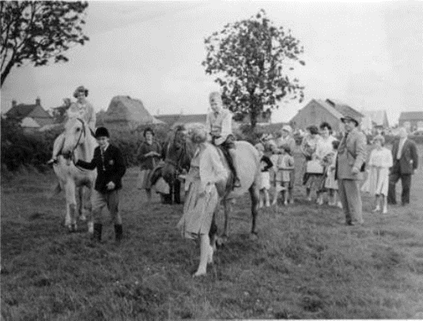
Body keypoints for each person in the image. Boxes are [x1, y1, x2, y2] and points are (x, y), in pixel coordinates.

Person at [177, 124, 228, 277]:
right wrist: (186, 178)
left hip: (206, 193)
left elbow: (222, 174)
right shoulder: (199, 150)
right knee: (193, 228)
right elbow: (197, 171)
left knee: (202, 231)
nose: (191, 144)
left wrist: (208, 181)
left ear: (197, 140)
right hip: (195, 191)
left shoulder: (211, 151)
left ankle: (202, 268)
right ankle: (208, 253)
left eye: (191, 141)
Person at [75, 127, 126, 242]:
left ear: (107, 138)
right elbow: (92, 165)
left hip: (113, 188)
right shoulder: (97, 150)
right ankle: (97, 238)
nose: (101, 142)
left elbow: (122, 169)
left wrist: (114, 181)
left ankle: (119, 237)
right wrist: (77, 161)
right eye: (98, 139)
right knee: (95, 211)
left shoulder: (115, 150)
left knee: (114, 213)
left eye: (103, 139)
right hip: (99, 187)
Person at [48, 85, 96, 164]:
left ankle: (102, 159)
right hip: (75, 126)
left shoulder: (90, 106)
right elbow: (70, 115)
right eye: (79, 95)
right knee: (63, 137)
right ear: (77, 96)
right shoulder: (73, 106)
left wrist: (90, 127)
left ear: (85, 95)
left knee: (100, 138)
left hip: (87, 127)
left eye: (82, 95)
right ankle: (54, 156)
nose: (81, 97)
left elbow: (93, 118)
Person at [336, 115, 367, 226]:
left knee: (353, 199)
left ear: (355, 123)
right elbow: (340, 151)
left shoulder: (359, 135)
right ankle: (348, 219)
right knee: (344, 199)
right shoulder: (345, 135)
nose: (346, 124)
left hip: (351, 171)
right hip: (341, 172)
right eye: (345, 122)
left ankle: (357, 221)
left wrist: (357, 167)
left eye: (349, 122)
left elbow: (361, 153)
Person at [205, 91, 241, 188]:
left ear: (220, 103)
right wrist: (208, 139)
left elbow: (225, 131)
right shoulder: (209, 115)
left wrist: (218, 141)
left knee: (232, 153)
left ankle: (237, 176)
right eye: (212, 105)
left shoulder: (226, 113)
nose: (214, 107)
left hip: (225, 138)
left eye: (215, 104)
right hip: (213, 138)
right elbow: (208, 129)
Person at [387, 127, 419, 206]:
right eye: (400, 132)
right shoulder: (396, 143)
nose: (401, 133)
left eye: (403, 132)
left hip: (406, 166)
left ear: (406, 133)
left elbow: (415, 156)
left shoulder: (411, 143)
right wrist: (390, 166)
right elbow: (392, 155)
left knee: (406, 186)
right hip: (396, 166)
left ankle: (404, 202)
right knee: (390, 182)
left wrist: (415, 167)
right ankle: (391, 201)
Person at [368, 135, 393, 214]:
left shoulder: (387, 151)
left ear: (382, 142)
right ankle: (377, 206)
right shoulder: (373, 151)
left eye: (378, 142)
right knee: (376, 189)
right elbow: (370, 162)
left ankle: (385, 207)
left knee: (383, 190)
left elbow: (390, 163)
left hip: (383, 172)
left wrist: (382, 165)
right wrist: (374, 164)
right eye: (375, 142)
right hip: (375, 172)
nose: (376, 144)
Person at [136, 127, 162, 202]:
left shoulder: (156, 144)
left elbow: (161, 154)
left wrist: (156, 154)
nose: (148, 135)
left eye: (150, 134)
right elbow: (138, 156)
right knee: (148, 185)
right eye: (147, 134)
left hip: (156, 167)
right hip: (147, 167)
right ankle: (149, 200)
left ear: (152, 135)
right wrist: (147, 154)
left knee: (159, 182)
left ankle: (161, 199)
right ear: (145, 135)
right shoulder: (143, 145)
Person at [314, 122, 337, 204]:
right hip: (321, 162)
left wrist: (330, 160)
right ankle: (319, 198)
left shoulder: (333, 140)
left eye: (325, 130)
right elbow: (317, 152)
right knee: (320, 181)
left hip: (331, 163)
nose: (324, 132)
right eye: (322, 130)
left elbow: (336, 152)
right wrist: (320, 159)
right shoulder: (319, 140)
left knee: (331, 182)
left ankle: (331, 199)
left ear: (329, 130)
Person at [300, 125, 322, 201]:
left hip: (317, 160)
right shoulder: (306, 137)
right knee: (308, 178)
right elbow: (302, 147)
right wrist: (305, 153)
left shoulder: (319, 138)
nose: (310, 134)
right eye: (309, 132)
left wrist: (315, 155)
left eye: (311, 133)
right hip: (307, 159)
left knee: (317, 178)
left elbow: (320, 148)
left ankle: (318, 197)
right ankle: (308, 196)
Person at [255, 143, 273, 208]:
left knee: (265, 188)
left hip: (264, 174)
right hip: (258, 174)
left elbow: (270, 164)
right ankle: (261, 202)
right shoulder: (256, 157)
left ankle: (267, 201)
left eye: (257, 149)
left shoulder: (265, 157)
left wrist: (264, 167)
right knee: (260, 189)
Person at [325, 140, 341, 207]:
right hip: (331, 172)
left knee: (337, 188)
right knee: (330, 187)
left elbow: (338, 163)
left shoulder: (339, 154)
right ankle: (331, 201)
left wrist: (333, 167)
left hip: (336, 172)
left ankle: (340, 202)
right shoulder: (331, 153)